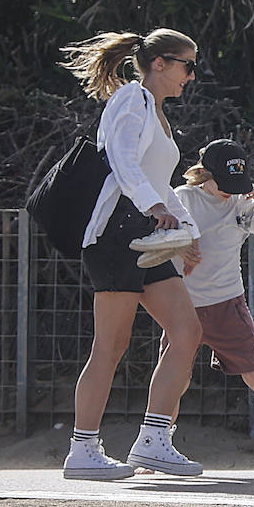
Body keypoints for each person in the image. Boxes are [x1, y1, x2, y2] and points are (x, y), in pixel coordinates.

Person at [58, 29, 205, 480]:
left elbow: (160, 181)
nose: (191, 76)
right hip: (116, 232)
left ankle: (153, 441)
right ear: (159, 63)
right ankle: (83, 448)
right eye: (187, 65)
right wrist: (156, 207)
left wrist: (188, 230)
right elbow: (122, 161)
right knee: (111, 345)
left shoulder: (157, 112)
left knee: (186, 331)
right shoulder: (130, 99)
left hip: (146, 232)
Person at [167, 138, 254, 465]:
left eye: (238, 184)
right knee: (175, 378)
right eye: (225, 183)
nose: (230, 191)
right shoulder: (183, 198)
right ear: (206, 173)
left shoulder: (241, 205)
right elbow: (159, 237)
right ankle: (155, 445)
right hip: (184, 305)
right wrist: (180, 248)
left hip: (228, 303)